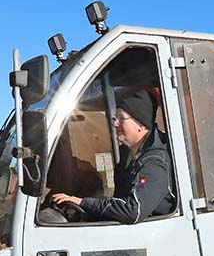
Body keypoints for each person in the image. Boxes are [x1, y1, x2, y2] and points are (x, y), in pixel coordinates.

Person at [51, 90, 175, 223]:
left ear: (141, 125)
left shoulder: (155, 163)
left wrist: (84, 203)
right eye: (115, 118)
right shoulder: (126, 154)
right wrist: (87, 210)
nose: (115, 124)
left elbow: (132, 211)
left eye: (121, 118)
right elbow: (119, 201)